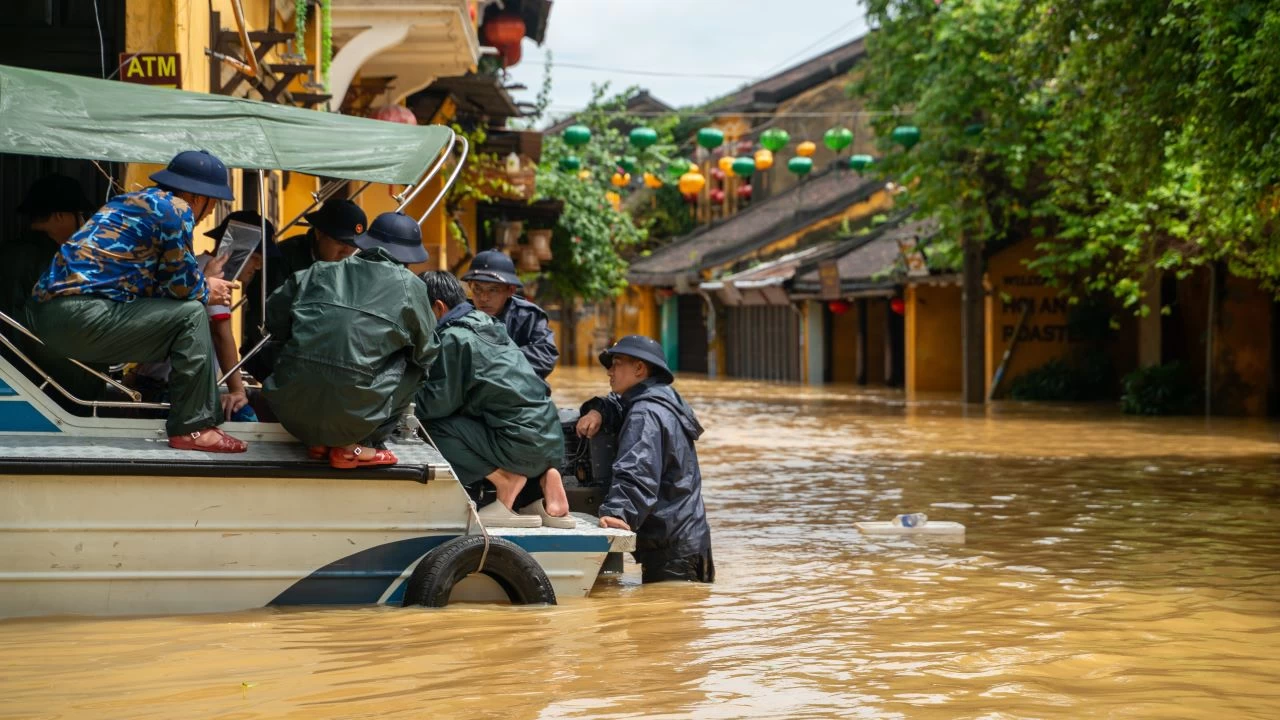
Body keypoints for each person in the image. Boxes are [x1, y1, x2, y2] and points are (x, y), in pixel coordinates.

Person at [29, 150, 246, 452]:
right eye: (213, 203)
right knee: (192, 315)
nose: (210, 213)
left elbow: (162, 286)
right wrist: (208, 288)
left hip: (47, 319)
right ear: (197, 197)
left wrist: (201, 282)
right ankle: (194, 427)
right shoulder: (176, 208)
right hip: (83, 315)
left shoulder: (129, 202)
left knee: (186, 312)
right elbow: (183, 288)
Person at [263, 211, 438, 469]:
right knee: (417, 366)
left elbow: (274, 318)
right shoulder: (411, 286)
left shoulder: (317, 271)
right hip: (355, 418)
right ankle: (356, 447)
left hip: (291, 413)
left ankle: (320, 441)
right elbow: (426, 352)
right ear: (408, 258)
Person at [414, 271, 572, 529]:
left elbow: (437, 404)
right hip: (551, 440)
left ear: (438, 308)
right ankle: (547, 477)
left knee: (430, 427)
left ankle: (505, 482)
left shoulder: (454, 338)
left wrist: (402, 401)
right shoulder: (488, 323)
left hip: (521, 446)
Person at [576, 335, 714, 583]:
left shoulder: (645, 413)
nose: (609, 372)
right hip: (688, 541)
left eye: (616, 364)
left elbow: (638, 470)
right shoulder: (661, 400)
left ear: (639, 368)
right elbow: (617, 405)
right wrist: (598, 410)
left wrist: (618, 513)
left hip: (672, 553)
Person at [128, 211, 276, 422]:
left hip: (155, 382)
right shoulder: (212, 274)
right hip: (167, 390)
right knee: (247, 420)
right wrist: (237, 391)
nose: (259, 266)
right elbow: (221, 334)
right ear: (239, 249)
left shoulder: (197, 265)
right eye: (256, 258)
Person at [0, 174, 108, 402]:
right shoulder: (60, 262)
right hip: (56, 386)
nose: (84, 222)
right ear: (60, 216)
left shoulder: (8, 253)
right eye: (81, 215)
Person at [240, 198, 366, 380]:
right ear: (319, 233)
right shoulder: (280, 260)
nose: (347, 251)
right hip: (277, 359)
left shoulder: (357, 266)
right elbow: (263, 320)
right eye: (340, 242)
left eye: (354, 245)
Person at [462, 249, 559, 379]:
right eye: (477, 289)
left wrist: (494, 360)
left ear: (510, 290)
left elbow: (545, 355)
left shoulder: (529, 316)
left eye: (493, 290)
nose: (484, 298)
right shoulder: (460, 315)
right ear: (470, 286)